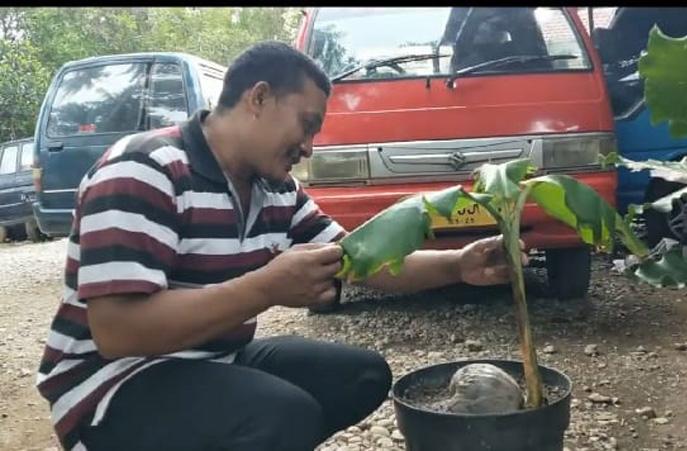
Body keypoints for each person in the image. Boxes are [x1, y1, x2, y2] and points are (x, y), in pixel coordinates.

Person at [36, 41, 521, 451]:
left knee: (362, 375)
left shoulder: (276, 189)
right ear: (259, 98)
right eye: (307, 124)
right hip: (110, 383)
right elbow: (119, 332)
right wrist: (265, 288)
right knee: (283, 415)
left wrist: (458, 264)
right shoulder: (146, 167)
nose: (309, 146)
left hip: (211, 358)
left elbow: (361, 260)